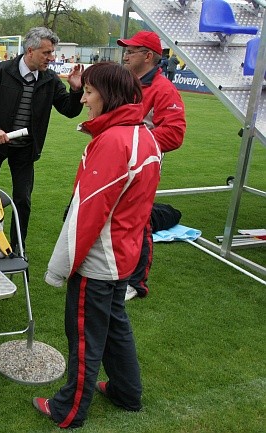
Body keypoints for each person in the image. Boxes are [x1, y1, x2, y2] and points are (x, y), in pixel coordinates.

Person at [32, 62, 162, 429]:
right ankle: (126, 391)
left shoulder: (113, 142)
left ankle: (68, 410)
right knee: (115, 325)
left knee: (85, 336)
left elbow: (87, 213)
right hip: (123, 253)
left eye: (89, 92)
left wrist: (58, 270)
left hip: (101, 259)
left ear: (109, 95)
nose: (84, 100)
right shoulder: (143, 134)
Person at [0, 27, 84, 249]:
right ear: (30, 50)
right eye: (47, 53)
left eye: (52, 53)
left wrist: (76, 90)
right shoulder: (1, 71)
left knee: (23, 200)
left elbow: (69, 110)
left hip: (25, 150)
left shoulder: (49, 79)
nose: (52, 58)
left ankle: (17, 247)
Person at [117, 30, 186, 300]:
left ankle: (136, 283)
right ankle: (115, 271)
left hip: (142, 166)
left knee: (139, 222)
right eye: (126, 49)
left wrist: (131, 140)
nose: (125, 54)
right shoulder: (127, 82)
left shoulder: (163, 89)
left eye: (131, 50)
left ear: (148, 56)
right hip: (118, 162)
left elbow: (175, 134)